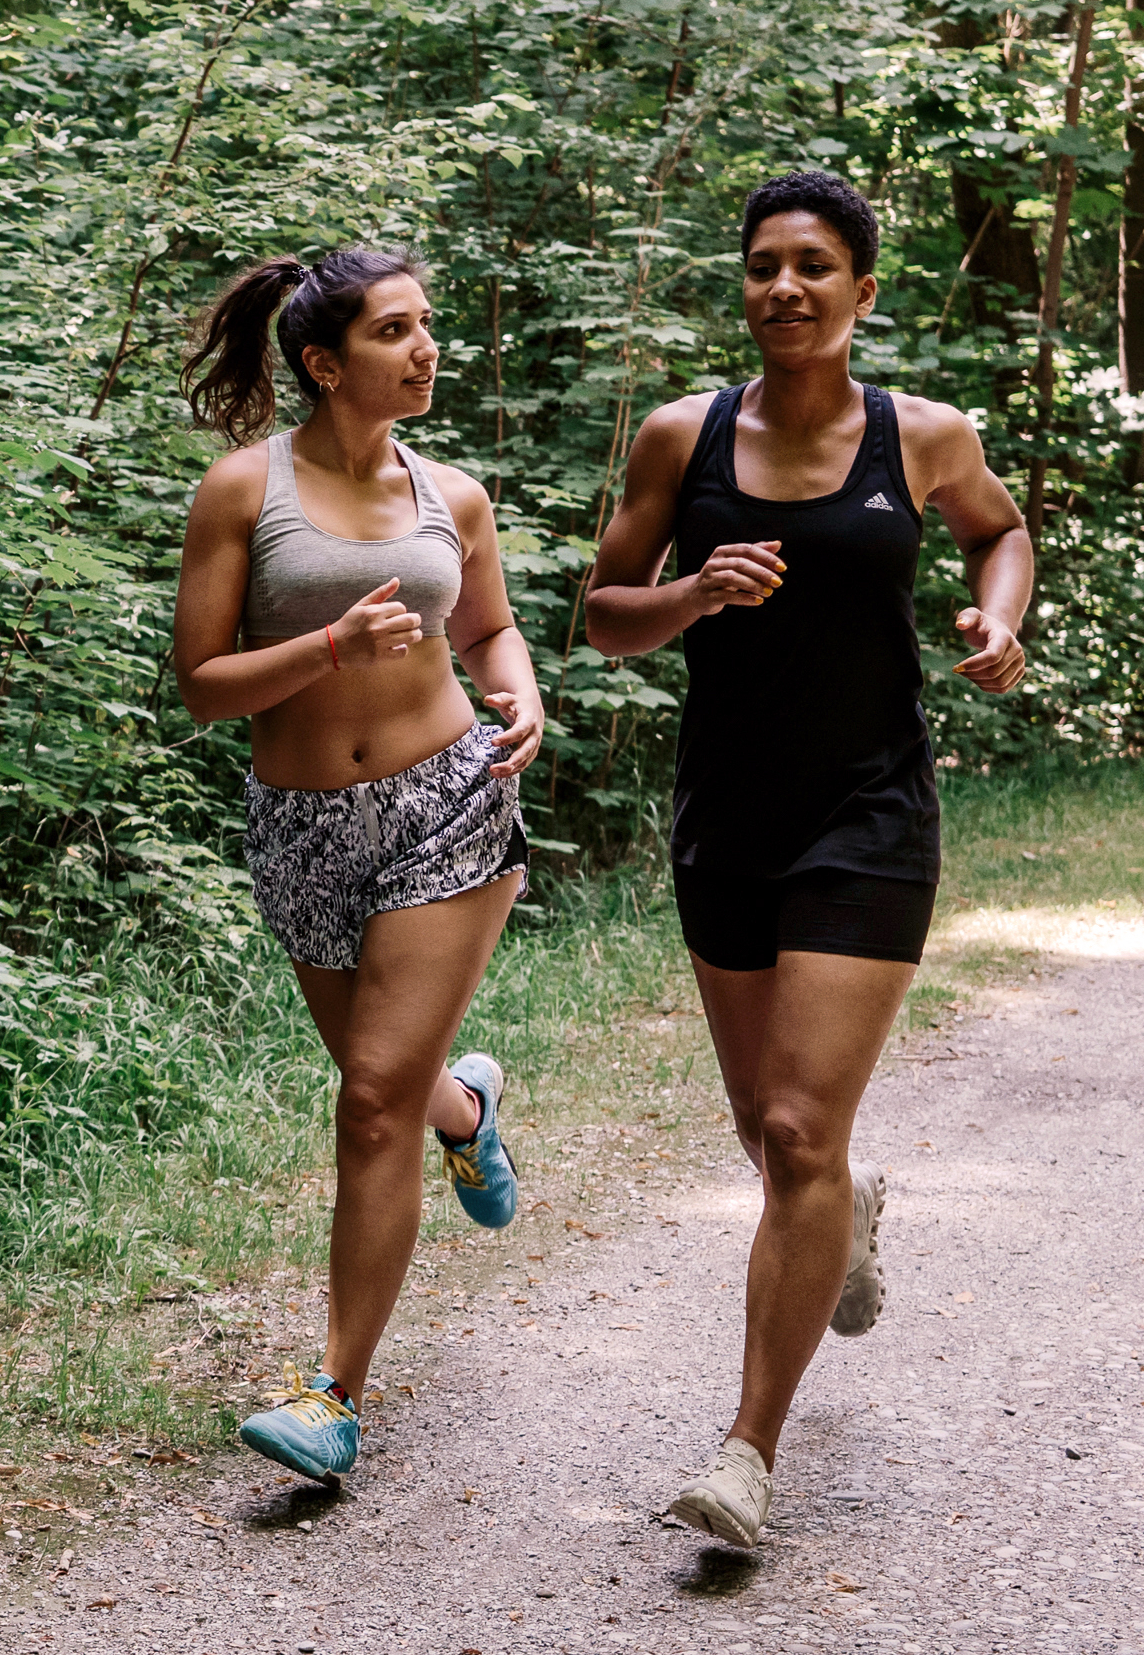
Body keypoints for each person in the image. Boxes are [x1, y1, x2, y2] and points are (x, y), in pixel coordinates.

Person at [579, 169, 1032, 1548]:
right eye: (764, 263)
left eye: (815, 265)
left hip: (870, 811)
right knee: (770, 1134)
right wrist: (693, 592)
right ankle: (847, 1223)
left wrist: (999, 619)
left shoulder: (925, 434)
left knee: (794, 1130)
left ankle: (746, 1451)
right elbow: (602, 613)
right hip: (728, 815)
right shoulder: (681, 436)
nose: (784, 285)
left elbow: (1000, 530)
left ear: (862, 291)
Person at [173, 246, 550, 1484]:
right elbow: (203, 689)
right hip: (300, 827)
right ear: (327, 365)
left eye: (427, 325)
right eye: (395, 331)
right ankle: (469, 1107)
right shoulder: (241, 492)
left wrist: (520, 693)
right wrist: (327, 646)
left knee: (367, 1101)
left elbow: (488, 625)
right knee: (390, 1089)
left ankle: (332, 1394)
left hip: (448, 803)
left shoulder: (456, 495)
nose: (425, 347)